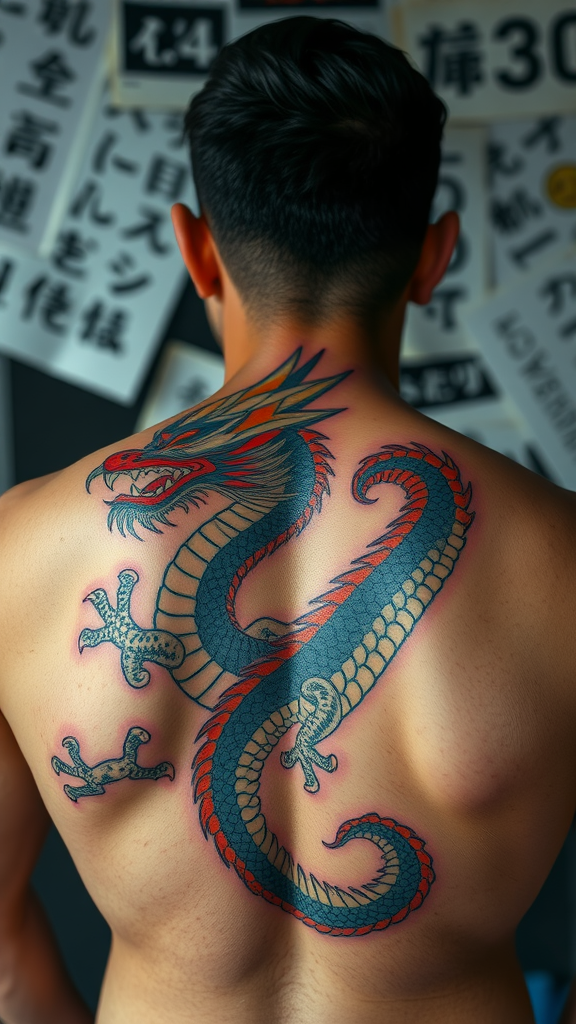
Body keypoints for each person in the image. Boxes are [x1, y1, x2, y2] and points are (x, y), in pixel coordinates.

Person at [0, 16, 574, 1024]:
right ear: (434, 257)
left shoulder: (19, 551)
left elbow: (4, 960)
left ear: (195, 249)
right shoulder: (560, 559)